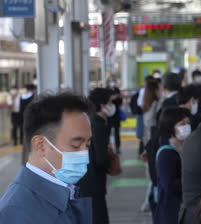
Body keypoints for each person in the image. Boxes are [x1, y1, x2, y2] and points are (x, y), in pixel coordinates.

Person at [0, 93, 93, 223]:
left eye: (88, 144)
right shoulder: (17, 212)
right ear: (41, 146)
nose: (85, 154)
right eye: (76, 145)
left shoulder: (66, 190)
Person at [79, 88, 115, 224]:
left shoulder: (90, 121)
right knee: (98, 216)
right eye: (110, 102)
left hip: (87, 179)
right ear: (101, 105)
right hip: (94, 180)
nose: (113, 106)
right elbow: (100, 158)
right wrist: (110, 164)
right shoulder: (99, 125)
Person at [153, 107, 192, 224]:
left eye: (188, 123)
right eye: (182, 124)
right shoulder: (167, 153)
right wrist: (193, 181)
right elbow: (168, 184)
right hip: (171, 212)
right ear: (170, 127)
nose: (187, 126)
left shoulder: (184, 147)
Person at [143, 78, 160, 145]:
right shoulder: (156, 104)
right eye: (159, 89)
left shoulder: (147, 104)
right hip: (153, 137)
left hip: (147, 138)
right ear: (155, 91)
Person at [109, 86, 123, 154]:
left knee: (116, 133)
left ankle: (117, 147)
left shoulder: (118, 99)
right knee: (108, 132)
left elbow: (120, 103)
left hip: (116, 117)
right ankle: (110, 147)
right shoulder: (109, 98)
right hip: (109, 117)